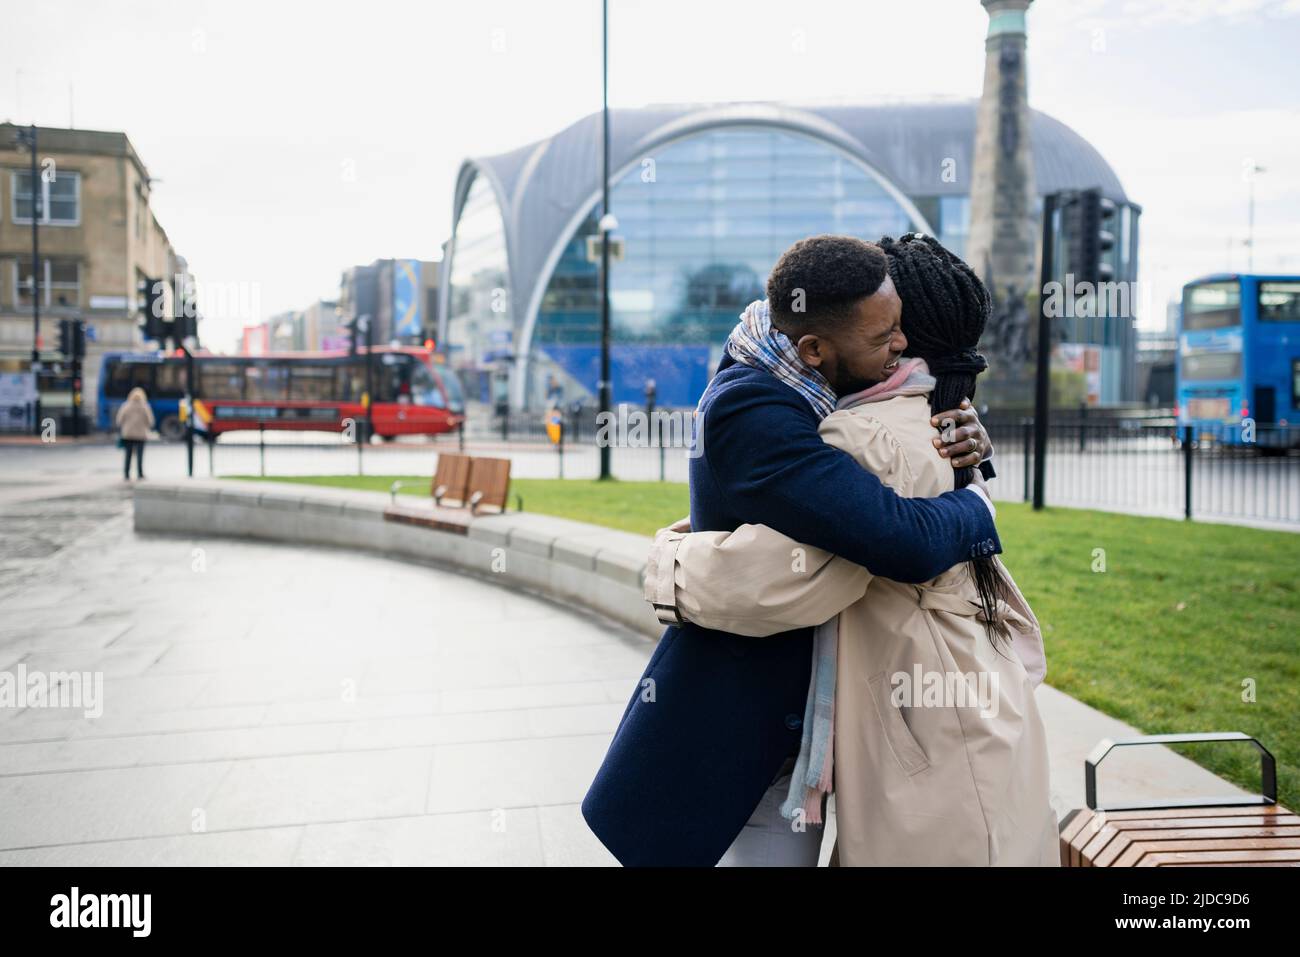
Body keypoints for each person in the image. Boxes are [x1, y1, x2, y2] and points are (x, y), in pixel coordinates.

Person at [581, 235, 1000, 867]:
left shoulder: (806, 372)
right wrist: (980, 508)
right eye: (884, 336)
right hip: (749, 722)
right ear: (814, 348)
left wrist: (967, 446)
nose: (902, 345)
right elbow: (898, 539)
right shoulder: (754, 411)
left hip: (815, 706)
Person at [115, 386, 155, 480]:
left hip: (128, 434)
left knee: (128, 455)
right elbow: (150, 421)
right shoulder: (145, 406)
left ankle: (126, 474)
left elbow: (119, 420)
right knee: (140, 455)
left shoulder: (126, 405)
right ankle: (140, 473)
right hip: (141, 435)